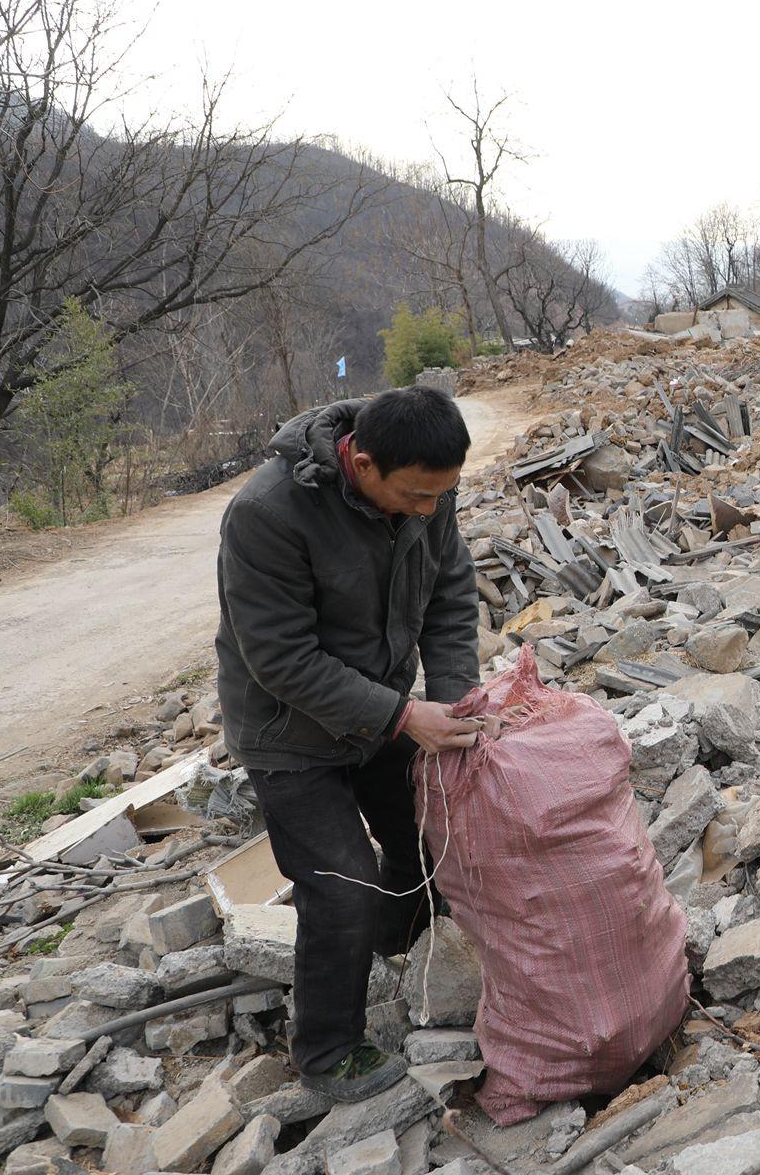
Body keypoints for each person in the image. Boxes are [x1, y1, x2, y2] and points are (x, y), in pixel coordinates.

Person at [215, 385, 481, 1102]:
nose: (430, 509)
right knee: (340, 884)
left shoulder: (426, 487)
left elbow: (451, 590)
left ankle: (398, 950)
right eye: (416, 496)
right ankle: (328, 1049)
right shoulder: (267, 514)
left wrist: (453, 694)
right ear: (360, 463)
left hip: (383, 703)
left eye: (440, 496)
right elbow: (280, 659)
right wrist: (403, 717)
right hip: (287, 730)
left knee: (429, 840)